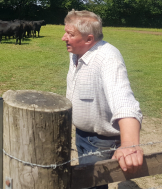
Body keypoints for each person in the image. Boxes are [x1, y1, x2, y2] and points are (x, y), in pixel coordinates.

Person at [62, 10, 143, 189]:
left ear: (89, 39)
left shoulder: (108, 58)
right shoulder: (76, 51)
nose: (63, 38)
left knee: (90, 185)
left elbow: (125, 101)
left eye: (70, 34)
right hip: (82, 135)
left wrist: (129, 144)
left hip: (101, 142)